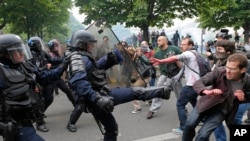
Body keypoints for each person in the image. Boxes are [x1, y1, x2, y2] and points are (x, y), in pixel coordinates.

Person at [64, 30, 172, 141]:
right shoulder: (78, 59)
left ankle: (162, 91)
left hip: (96, 97)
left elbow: (94, 69)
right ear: (81, 44)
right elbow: (79, 84)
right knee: (134, 92)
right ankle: (162, 91)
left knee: (111, 128)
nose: (92, 46)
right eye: (90, 44)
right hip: (97, 97)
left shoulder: (81, 56)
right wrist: (98, 99)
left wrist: (112, 57)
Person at [0, 34, 67, 141]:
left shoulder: (25, 66)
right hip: (15, 127)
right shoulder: (2, 74)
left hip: (28, 121)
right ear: (5, 54)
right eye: (16, 51)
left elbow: (44, 76)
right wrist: (3, 126)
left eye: (21, 49)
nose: (21, 53)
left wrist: (63, 66)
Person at [182, 53, 250, 141]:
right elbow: (199, 82)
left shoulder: (247, 80)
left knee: (203, 135)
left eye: (232, 69)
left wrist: (244, 97)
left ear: (242, 70)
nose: (228, 71)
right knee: (189, 124)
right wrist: (206, 91)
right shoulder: (219, 71)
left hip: (222, 110)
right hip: (206, 103)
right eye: (227, 67)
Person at [150, 37, 201, 135]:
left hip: (190, 84)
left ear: (190, 45)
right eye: (181, 44)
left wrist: (162, 61)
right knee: (194, 101)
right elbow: (184, 68)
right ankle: (201, 119)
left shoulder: (187, 53)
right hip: (196, 84)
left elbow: (176, 61)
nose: (181, 46)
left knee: (180, 104)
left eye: (184, 44)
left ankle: (183, 128)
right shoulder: (196, 54)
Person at [141, 36, 181, 119]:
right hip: (165, 74)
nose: (157, 42)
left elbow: (183, 59)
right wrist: (140, 56)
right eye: (157, 41)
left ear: (165, 41)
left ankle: (183, 109)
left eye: (159, 40)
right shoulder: (157, 53)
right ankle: (152, 109)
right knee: (158, 88)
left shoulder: (174, 49)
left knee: (179, 93)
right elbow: (149, 63)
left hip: (175, 75)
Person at [28, 36, 63, 132]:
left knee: (49, 98)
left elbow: (53, 60)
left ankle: (39, 113)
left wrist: (64, 59)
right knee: (38, 102)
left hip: (44, 79)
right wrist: (44, 67)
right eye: (39, 44)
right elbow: (32, 70)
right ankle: (40, 123)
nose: (40, 46)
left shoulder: (43, 53)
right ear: (34, 45)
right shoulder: (29, 56)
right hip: (35, 81)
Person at [47, 39, 76, 107]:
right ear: (51, 47)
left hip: (57, 78)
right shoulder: (50, 55)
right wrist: (65, 56)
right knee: (49, 98)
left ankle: (76, 105)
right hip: (51, 79)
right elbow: (58, 61)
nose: (57, 47)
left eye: (57, 46)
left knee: (68, 91)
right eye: (55, 46)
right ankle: (41, 112)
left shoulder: (56, 54)